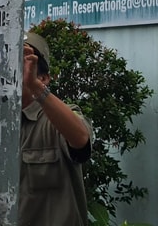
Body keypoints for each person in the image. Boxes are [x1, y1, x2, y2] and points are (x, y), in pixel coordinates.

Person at [19, 31, 94, 226]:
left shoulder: (57, 119)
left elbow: (80, 138)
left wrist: (35, 88)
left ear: (43, 78)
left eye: (23, 64)